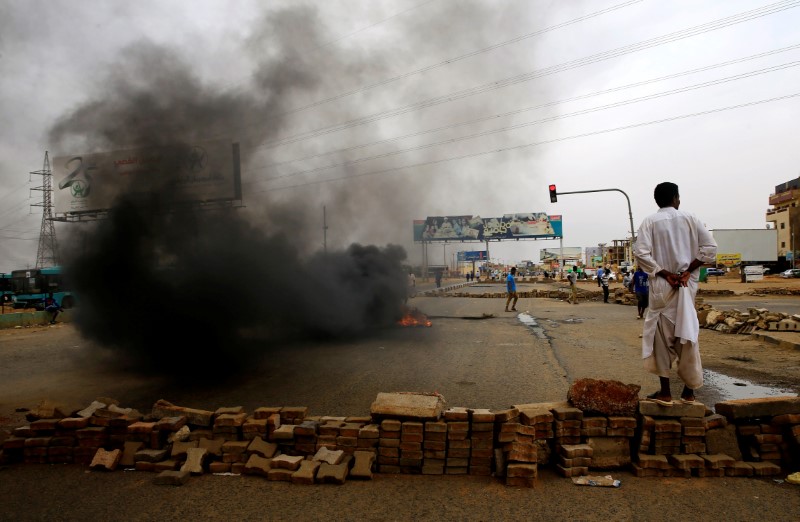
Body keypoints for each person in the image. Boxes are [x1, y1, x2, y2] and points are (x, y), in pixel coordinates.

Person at [633, 181, 717, 407]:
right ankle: (689, 393)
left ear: (657, 201)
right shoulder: (691, 218)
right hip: (686, 286)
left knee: (661, 338)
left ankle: (666, 392)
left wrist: (664, 273)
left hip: (662, 288)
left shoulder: (649, 222)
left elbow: (640, 253)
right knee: (688, 334)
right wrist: (688, 271)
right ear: (676, 198)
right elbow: (710, 249)